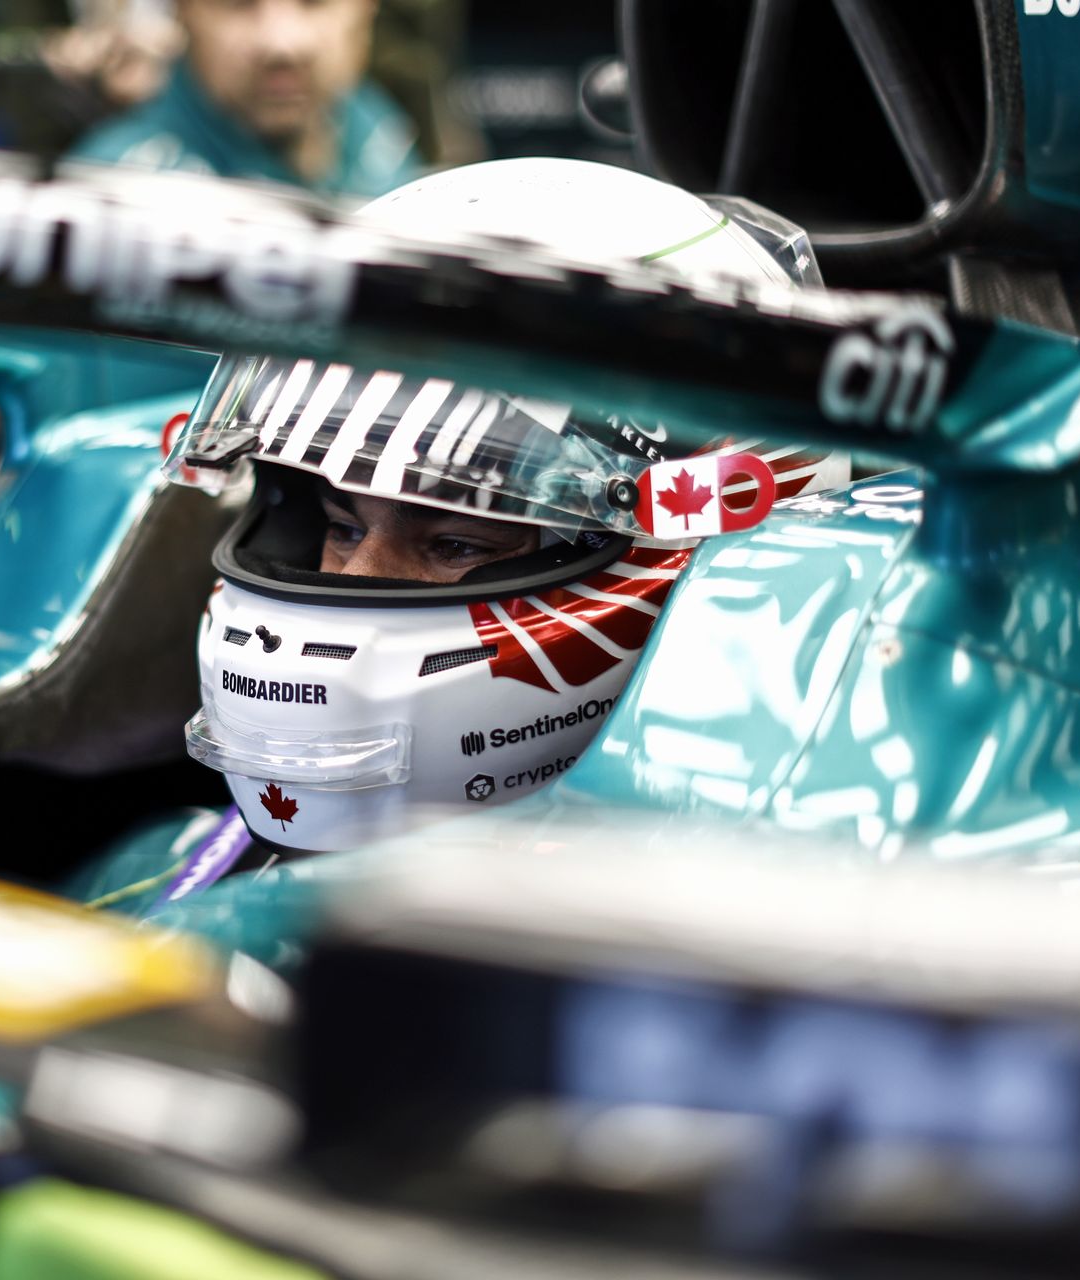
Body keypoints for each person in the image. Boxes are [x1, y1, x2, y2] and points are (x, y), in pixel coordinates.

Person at [66, 158, 848, 930]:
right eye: (342, 528)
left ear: (702, 531)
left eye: (456, 545)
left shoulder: (779, 934)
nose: (358, 579)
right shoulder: (151, 876)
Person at [64, 0, 420, 198]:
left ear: (367, 9)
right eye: (239, 3)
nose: (282, 43)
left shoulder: (373, 119)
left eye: (314, 1)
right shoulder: (116, 191)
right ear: (182, 12)